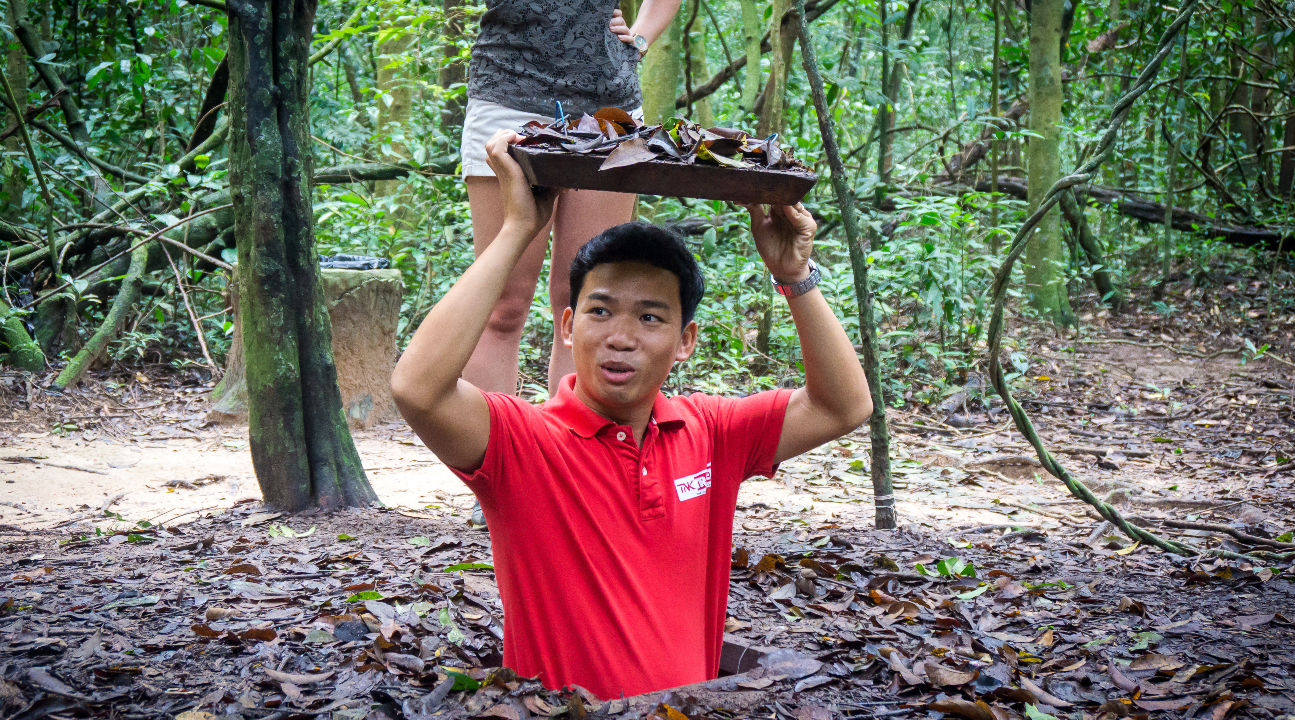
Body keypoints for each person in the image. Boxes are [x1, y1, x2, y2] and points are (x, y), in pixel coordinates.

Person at [391, 130, 873, 699]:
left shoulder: (712, 433)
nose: (620, 338)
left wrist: (794, 276)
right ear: (568, 327)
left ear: (684, 339)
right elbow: (417, 388)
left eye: (650, 318)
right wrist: (518, 229)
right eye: (600, 311)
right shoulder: (523, 441)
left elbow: (843, 406)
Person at [460, 0, 683, 397]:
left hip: (609, 109)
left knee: (585, 297)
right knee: (501, 305)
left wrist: (641, 36)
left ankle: (574, 452)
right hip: (507, 90)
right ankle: (490, 456)